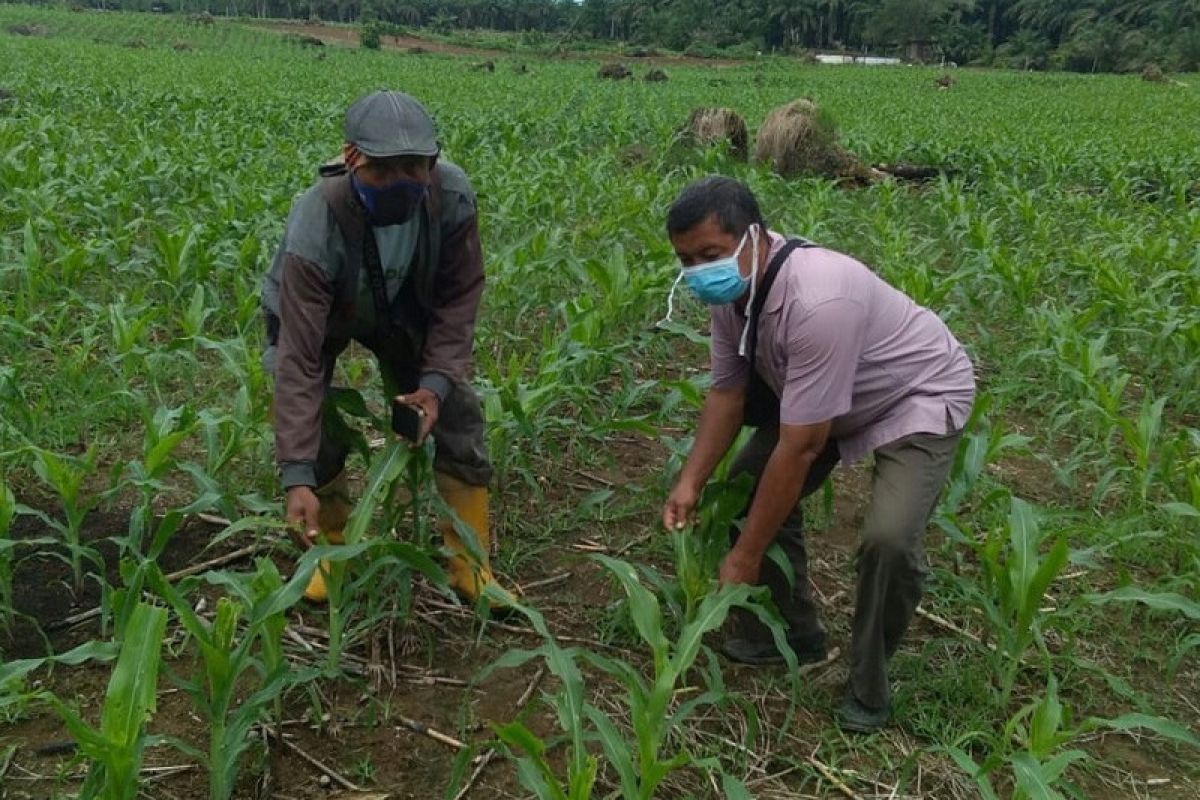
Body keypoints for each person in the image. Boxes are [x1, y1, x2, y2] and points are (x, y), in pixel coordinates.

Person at [660, 176, 975, 732]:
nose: (697, 271)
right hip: (825, 397)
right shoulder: (735, 292)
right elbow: (728, 393)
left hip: (912, 394)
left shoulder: (819, 298)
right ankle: (792, 633)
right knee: (744, 490)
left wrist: (746, 556)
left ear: (753, 237)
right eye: (686, 260)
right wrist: (690, 481)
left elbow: (802, 445)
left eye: (708, 254)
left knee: (889, 540)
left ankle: (869, 688)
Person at [261, 90, 510, 609]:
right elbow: (301, 359)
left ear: (433, 161)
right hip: (325, 314)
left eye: (413, 167)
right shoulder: (318, 220)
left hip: (403, 304)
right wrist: (297, 477)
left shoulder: (452, 198)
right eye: (384, 169)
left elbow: (458, 296)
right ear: (352, 158)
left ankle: (469, 565)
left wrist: (435, 386)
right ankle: (329, 552)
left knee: (457, 410)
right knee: (318, 411)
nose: (401, 181)